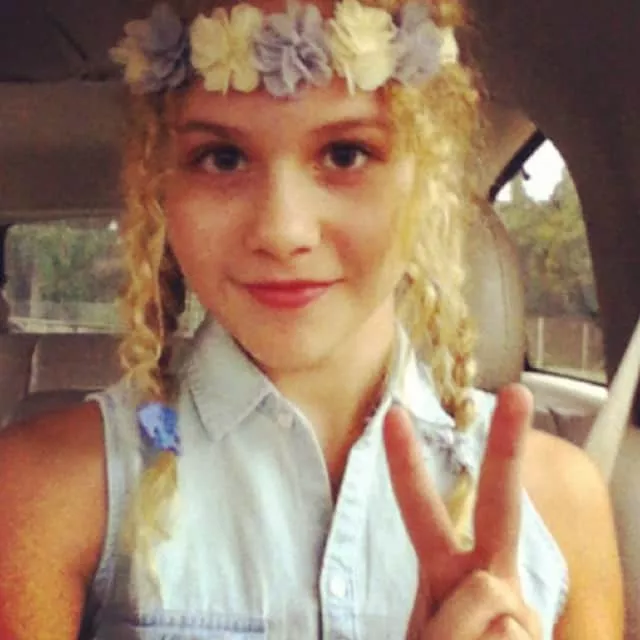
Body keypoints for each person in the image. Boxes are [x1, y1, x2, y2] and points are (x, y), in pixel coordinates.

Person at [0, 0, 623, 637]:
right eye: (222, 158)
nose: (283, 231)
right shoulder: (41, 491)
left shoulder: (560, 503)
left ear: (426, 179)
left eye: (347, 154)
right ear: (163, 189)